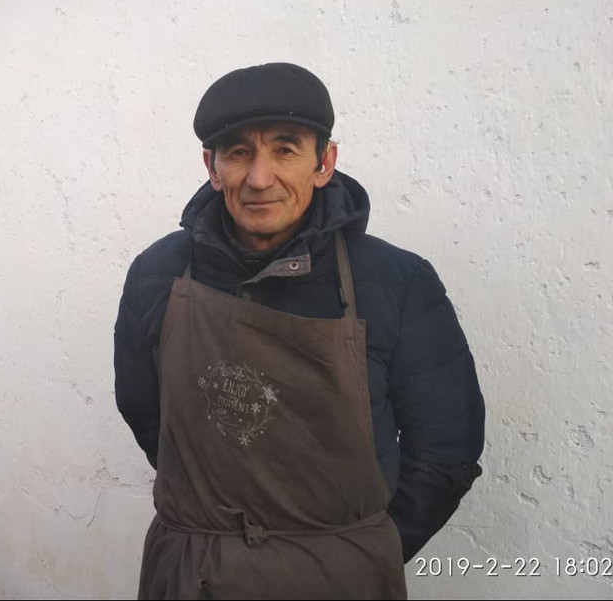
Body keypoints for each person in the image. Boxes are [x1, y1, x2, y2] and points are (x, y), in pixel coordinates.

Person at [114, 62, 485, 600]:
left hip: (344, 578)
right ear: (212, 168)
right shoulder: (156, 275)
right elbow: (147, 414)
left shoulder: (397, 283)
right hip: (193, 572)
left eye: (285, 150)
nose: (260, 178)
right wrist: (211, 525)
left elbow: (445, 452)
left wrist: (361, 548)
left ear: (324, 162)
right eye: (238, 152)